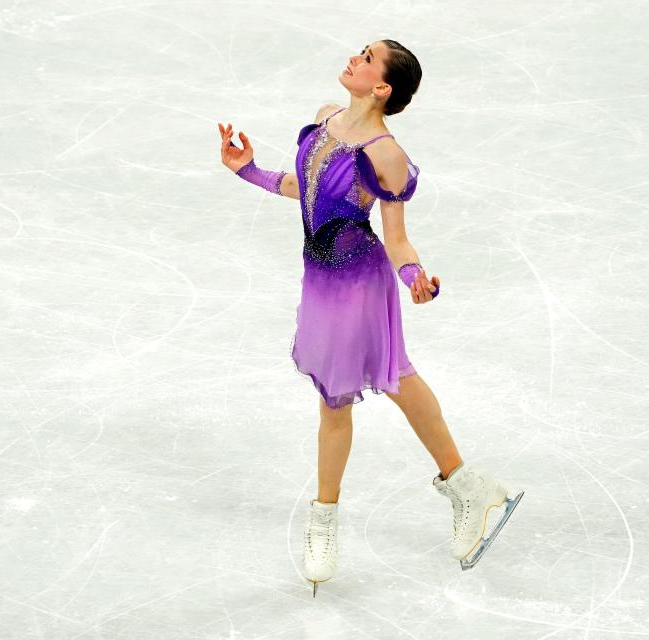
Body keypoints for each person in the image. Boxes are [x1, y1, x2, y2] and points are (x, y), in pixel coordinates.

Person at [217, 39, 523, 595]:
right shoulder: (324, 118)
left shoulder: (387, 154)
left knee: (340, 397)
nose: (353, 59)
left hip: (359, 279)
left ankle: (324, 521)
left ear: (382, 87)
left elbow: (398, 238)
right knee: (397, 377)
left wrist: (415, 281)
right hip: (321, 276)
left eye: (366, 58)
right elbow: (305, 190)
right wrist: (248, 171)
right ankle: (468, 485)